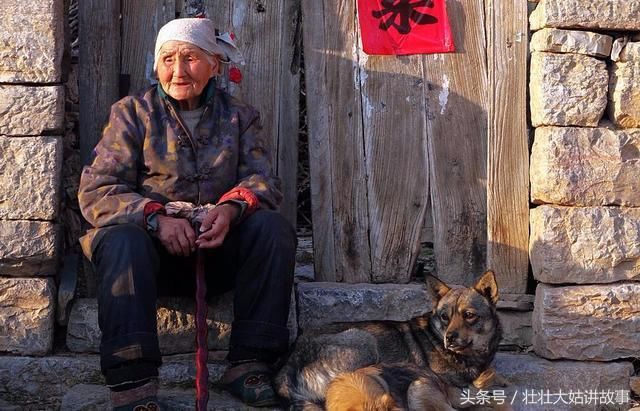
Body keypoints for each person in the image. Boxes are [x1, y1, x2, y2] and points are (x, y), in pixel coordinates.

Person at [77, 17, 296, 410]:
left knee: (271, 228)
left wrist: (230, 210)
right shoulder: (132, 113)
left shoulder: (239, 116)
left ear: (214, 63)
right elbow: (97, 191)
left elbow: (264, 180)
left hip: (216, 251)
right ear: (156, 65)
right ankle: (134, 384)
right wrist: (154, 218)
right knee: (121, 239)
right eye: (168, 59)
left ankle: (250, 363)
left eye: (190, 58)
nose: (178, 70)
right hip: (151, 257)